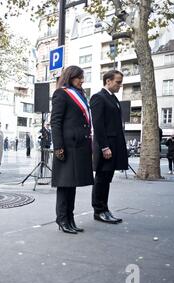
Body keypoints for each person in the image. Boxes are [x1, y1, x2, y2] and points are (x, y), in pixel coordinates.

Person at [51, 66, 94, 234]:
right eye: (79, 77)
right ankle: (62, 219)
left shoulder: (80, 94)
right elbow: (56, 122)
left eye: (82, 77)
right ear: (70, 77)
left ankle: (70, 218)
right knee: (64, 184)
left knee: (72, 184)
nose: (82, 80)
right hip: (67, 146)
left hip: (80, 146)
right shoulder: (61, 94)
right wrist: (58, 147)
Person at [90, 70, 127, 224]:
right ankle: (99, 211)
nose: (120, 85)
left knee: (107, 179)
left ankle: (105, 209)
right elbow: (98, 125)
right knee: (101, 178)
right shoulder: (98, 97)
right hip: (105, 145)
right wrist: (104, 147)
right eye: (118, 82)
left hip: (114, 144)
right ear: (108, 81)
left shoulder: (113, 98)